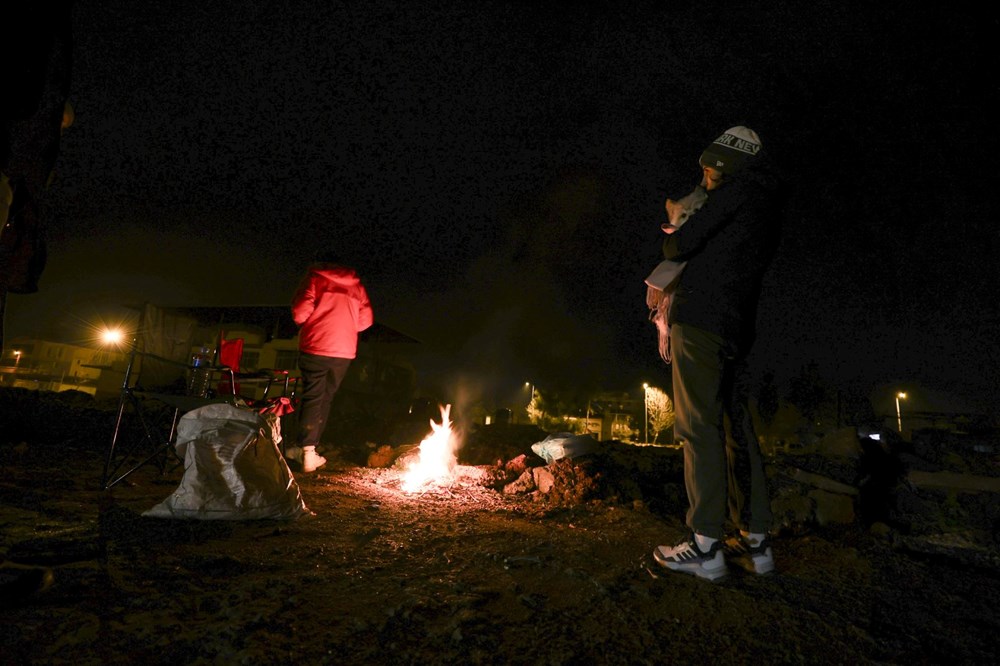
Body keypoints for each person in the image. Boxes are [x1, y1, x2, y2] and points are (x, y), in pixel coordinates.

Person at [651, 126, 786, 580]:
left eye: (711, 168)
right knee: (737, 430)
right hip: (737, 328)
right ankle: (757, 541)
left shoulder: (732, 196)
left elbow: (678, 243)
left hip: (701, 324)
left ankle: (705, 545)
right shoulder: (769, 206)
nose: (705, 175)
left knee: (697, 427)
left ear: (729, 165)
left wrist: (679, 229)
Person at [286, 251, 373, 473]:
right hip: (343, 351)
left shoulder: (315, 278)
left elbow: (299, 312)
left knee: (312, 396)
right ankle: (309, 450)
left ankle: (305, 450)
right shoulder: (357, 286)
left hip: (316, 345)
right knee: (325, 398)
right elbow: (365, 321)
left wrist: (314, 323)